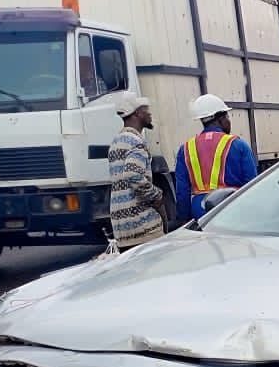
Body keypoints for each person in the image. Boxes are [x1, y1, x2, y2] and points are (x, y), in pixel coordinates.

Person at [175, 94, 258, 222]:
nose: (228, 121)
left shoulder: (185, 149)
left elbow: (182, 192)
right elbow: (252, 185)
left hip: (200, 211)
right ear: (220, 118)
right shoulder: (238, 145)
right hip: (232, 208)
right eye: (227, 116)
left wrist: (183, 221)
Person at [108, 92, 166, 249]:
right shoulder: (137, 142)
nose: (150, 113)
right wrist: (157, 195)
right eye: (146, 109)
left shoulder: (117, 141)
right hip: (142, 225)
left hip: (122, 227)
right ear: (138, 113)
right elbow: (134, 176)